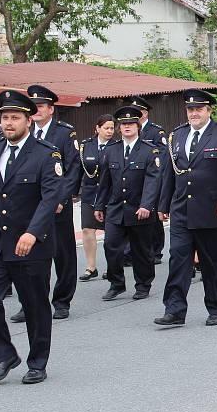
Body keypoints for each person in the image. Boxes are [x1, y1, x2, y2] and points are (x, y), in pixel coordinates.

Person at [0, 90, 62, 385]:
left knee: (35, 304)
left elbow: (50, 199)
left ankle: (37, 362)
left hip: (31, 244)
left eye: (15, 118)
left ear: (28, 119)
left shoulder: (47, 154)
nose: (8, 123)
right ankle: (5, 354)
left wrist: (33, 233)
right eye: (4, 118)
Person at [155, 89, 217, 326]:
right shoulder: (177, 135)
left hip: (212, 210)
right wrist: (163, 204)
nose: (194, 113)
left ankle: (216, 308)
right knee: (178, 259)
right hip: (182, 209)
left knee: (211, 262)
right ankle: (174, 310)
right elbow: (169, 173)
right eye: (190, 109)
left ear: (209, 111)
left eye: (199, 109)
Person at [11, 85, 80, 322]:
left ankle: (62, 301)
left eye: (40, 106)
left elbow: (71, 170)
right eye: (33, 107)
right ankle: (29, 303)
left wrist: (59, 200)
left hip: (57, 206)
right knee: (29, 257)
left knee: (63, 254)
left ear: (51, 109)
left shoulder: (64, 134)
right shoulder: (24, 135)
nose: (36, 111)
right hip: (29, 206)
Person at [94, 106, 161, 301]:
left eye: (131, 123)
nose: (127, 127)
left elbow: (153, 180)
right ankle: (117, 284)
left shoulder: (149, 150)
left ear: (138, 126)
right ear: (119, 128)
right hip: (116, 208)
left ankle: (143, 284)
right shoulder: (111, 150)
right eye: (123, 124)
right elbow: (105, 181)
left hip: (139, 208)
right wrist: (99, 205)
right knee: (111, 245)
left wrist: (146, 205)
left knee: (141, 250)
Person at [126, 95, 167, 264]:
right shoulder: (127, 129)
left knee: (153, 216)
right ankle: (131, 251)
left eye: (138, 112)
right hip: (133, 180)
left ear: (145, 113)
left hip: (152, 179)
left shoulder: (156, 132)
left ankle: (156, 250)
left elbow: (163, 156)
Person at [78, 114, 115, 282]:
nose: (109, 131)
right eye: (106, 128)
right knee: (87, 229)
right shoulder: (86, 146)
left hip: (109, 194)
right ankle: (91, 267)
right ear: (97, 128)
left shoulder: (116, 146)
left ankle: (112, 266)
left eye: (112, 128)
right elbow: (79, 170)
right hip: (89, 193)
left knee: (111, 232)